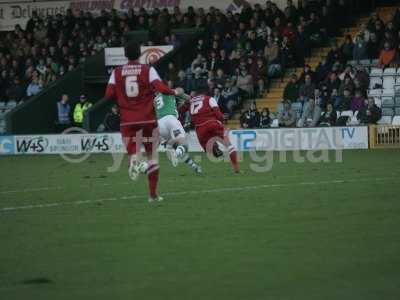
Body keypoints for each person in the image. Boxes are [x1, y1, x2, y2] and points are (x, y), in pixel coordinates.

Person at [105, 40, 182, 203]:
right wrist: (173, 91)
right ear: (140, 54)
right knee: (152, 156)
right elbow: (161, 88)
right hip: (147, 118)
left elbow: (109, 94)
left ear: (125, 55)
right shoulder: (148, 70)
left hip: (127, 120)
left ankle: (134, 160)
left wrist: (123, 99)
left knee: (133, 150)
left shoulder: (116, 72)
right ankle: (153, 195)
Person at [179, 85, 240, 173]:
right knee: (229, 145)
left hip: (199, 129)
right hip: (211, 123)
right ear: (205, 92)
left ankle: (214, 148)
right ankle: (236, 168)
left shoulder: (190, 101)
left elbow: (180, 110)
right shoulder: (209, 98)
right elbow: (218, 114)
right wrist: (222, 120)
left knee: (210, 152)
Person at [154, 92, 201, 173]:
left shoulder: (154, 99)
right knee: (184, 144)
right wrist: (191, 99)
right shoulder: (169, 91)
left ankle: (193, 165)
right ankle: (175, 154)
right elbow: (188, 98)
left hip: (160, 124)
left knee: (176, 146)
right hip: (170, 119)